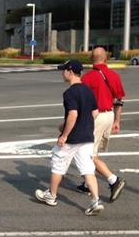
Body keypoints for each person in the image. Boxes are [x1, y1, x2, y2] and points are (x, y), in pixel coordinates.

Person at [35, 60, 105, 216]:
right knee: (87, 169)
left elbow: (73, 114)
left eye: (64, 70)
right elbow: (95, 113)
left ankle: (51, 196)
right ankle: (95, 200)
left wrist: (64, 134)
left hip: (73, 137)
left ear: (70, 71)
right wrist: (78, 124)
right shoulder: (87, 90)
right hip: (87, 135)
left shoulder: (70, 93)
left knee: (58, 162)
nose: (62, 73)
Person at [77, 46, 127, 202]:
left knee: (88, 153)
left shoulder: (87, 78)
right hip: (109, 115)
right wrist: (117, 121)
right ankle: (87, 182)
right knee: (94, 148)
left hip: (95, 117)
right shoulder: (114, 75)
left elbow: (81, 103)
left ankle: (113, 180)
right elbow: (119, 100)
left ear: (91, 60)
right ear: (106, 58)